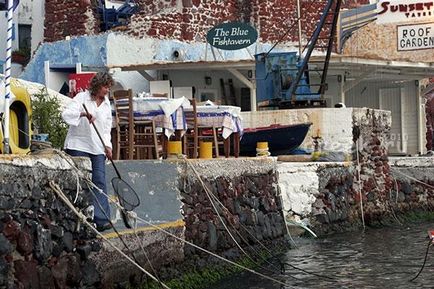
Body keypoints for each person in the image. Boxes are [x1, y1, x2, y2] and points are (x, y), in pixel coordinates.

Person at [62, 72, 114, 232]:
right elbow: (66, 114)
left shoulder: (106, 105)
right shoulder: (81, 98)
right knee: (80, 180)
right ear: (97, 86)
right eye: (105, 87)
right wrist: (83, 114)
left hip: (97, 146)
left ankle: (102, 218)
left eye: (108, 87)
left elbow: (106, 129)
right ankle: (80, 216)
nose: (107, 91)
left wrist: (108, 146)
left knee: (99, 180)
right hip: (79, 144)